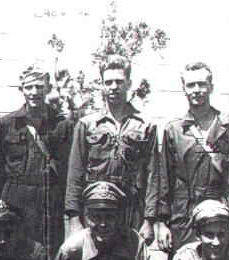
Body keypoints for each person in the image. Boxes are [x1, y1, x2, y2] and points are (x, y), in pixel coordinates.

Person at [64, 55, 164, 247]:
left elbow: (153, 176)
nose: (113, 87)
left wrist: (149, 220)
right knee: (92, 259)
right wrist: (74, 219)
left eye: (119, 81)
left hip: (130, 211)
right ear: (102, 85)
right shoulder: (87, 124)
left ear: (129, 84)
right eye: (108, 82)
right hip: (94, 209)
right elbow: (75, 174)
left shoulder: (145, 126)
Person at [159, 62, 229, 255]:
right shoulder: (174, 130)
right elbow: (164, 180)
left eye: (202, 84)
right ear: (184, 88)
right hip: (184, 215)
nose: (197, 90)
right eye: (191, 85)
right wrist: (161, 222)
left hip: (219, 212)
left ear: (211, 87)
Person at [0, 64, 74, 255]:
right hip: (15, 198)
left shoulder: (62, 124)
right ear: (21, 89)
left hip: (48, 198)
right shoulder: (8, 123)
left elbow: (68, 169)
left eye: (39, 87)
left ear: (48, 89)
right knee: (14, 251)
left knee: (48, 252)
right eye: (29, 87)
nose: (34, 92)